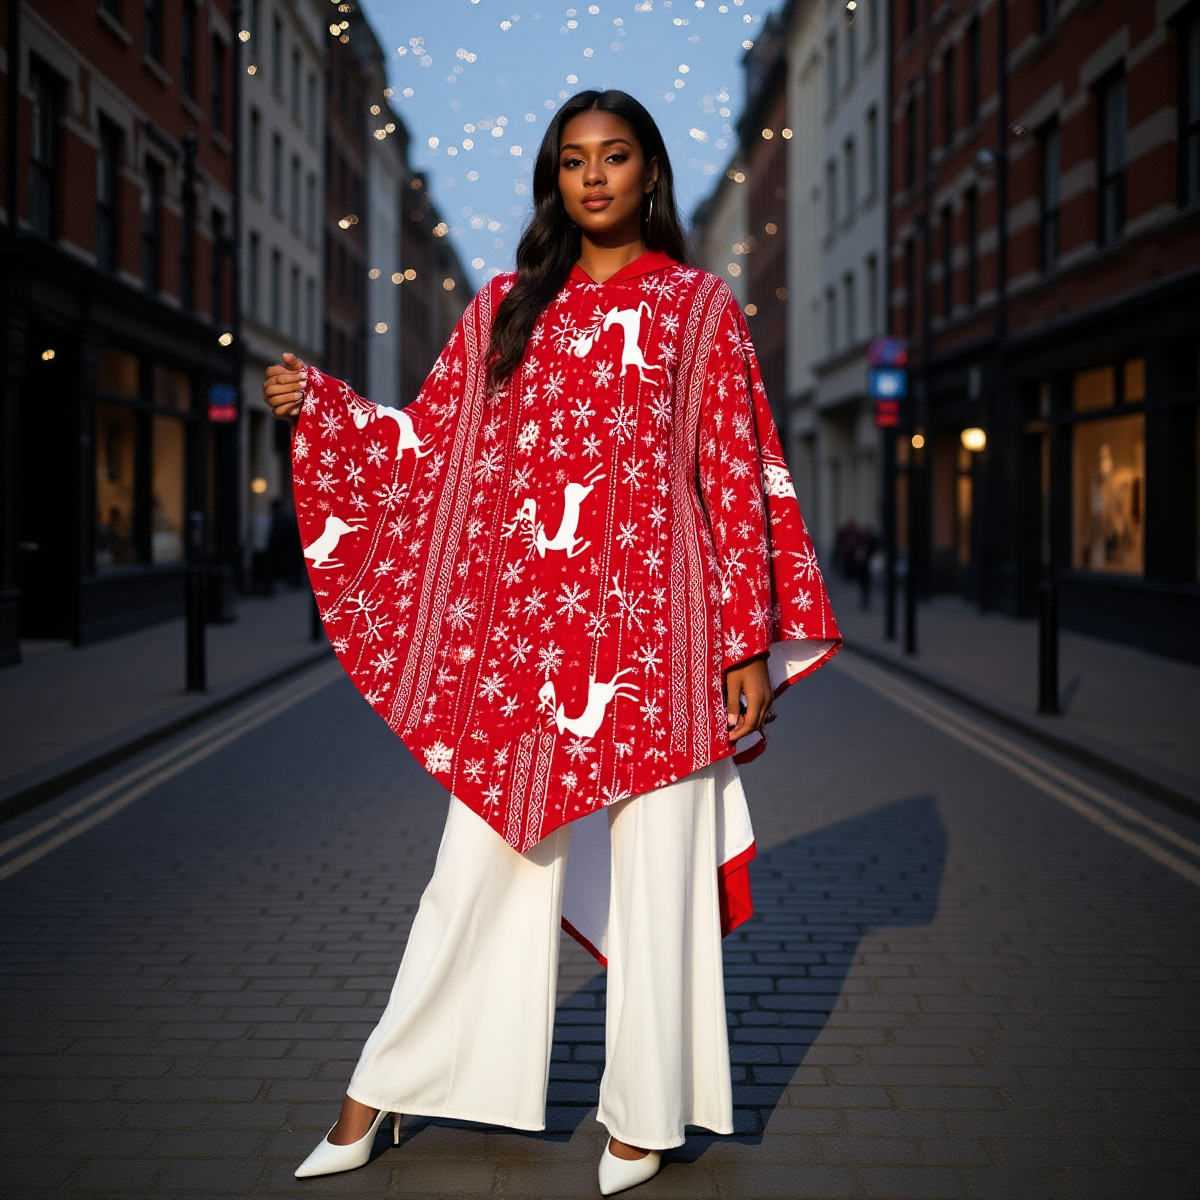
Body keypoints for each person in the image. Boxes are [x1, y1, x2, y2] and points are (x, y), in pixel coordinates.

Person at [263, 90, 840, 1195]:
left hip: (667, 637)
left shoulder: (701, 309)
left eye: (615, 157)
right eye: (574, 160)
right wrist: (323, 408)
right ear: (554, 179)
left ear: (648, 173)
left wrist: (748, 644)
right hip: (530, 645)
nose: (594, 177)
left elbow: (736, 477)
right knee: (474, 867)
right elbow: (427, 449)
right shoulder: (504, 310)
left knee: (661, 874)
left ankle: (647, 1112)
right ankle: (383, 1089)